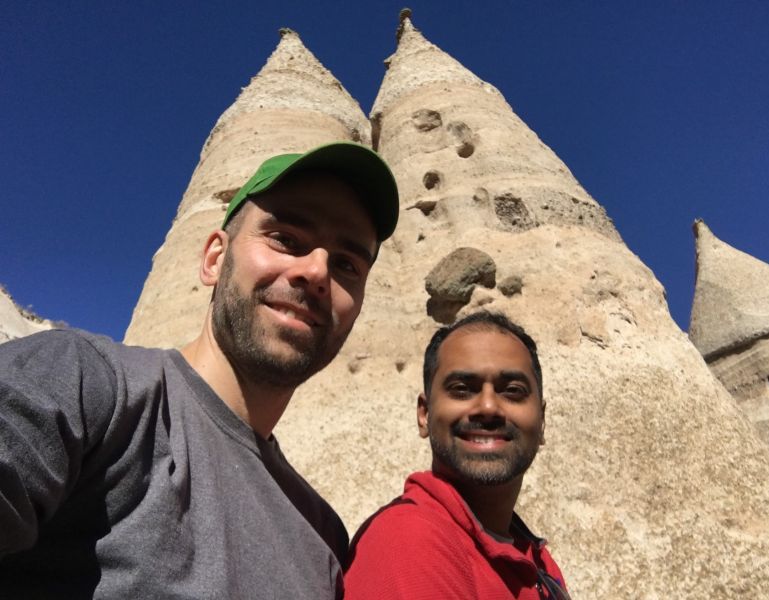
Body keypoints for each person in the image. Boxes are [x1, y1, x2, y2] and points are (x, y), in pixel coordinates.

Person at [0, 141, 399, 599]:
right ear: (214, 259)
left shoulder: (323, 534)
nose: (317, 272)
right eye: (286, 239)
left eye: (346, 264)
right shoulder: (87, 384)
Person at [344, 312, 570, 599]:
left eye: (513, 391)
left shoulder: (537, 561)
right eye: (462, 390)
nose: (488, 407)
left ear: (542, 421)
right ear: (424, 415)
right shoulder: (409, 543)